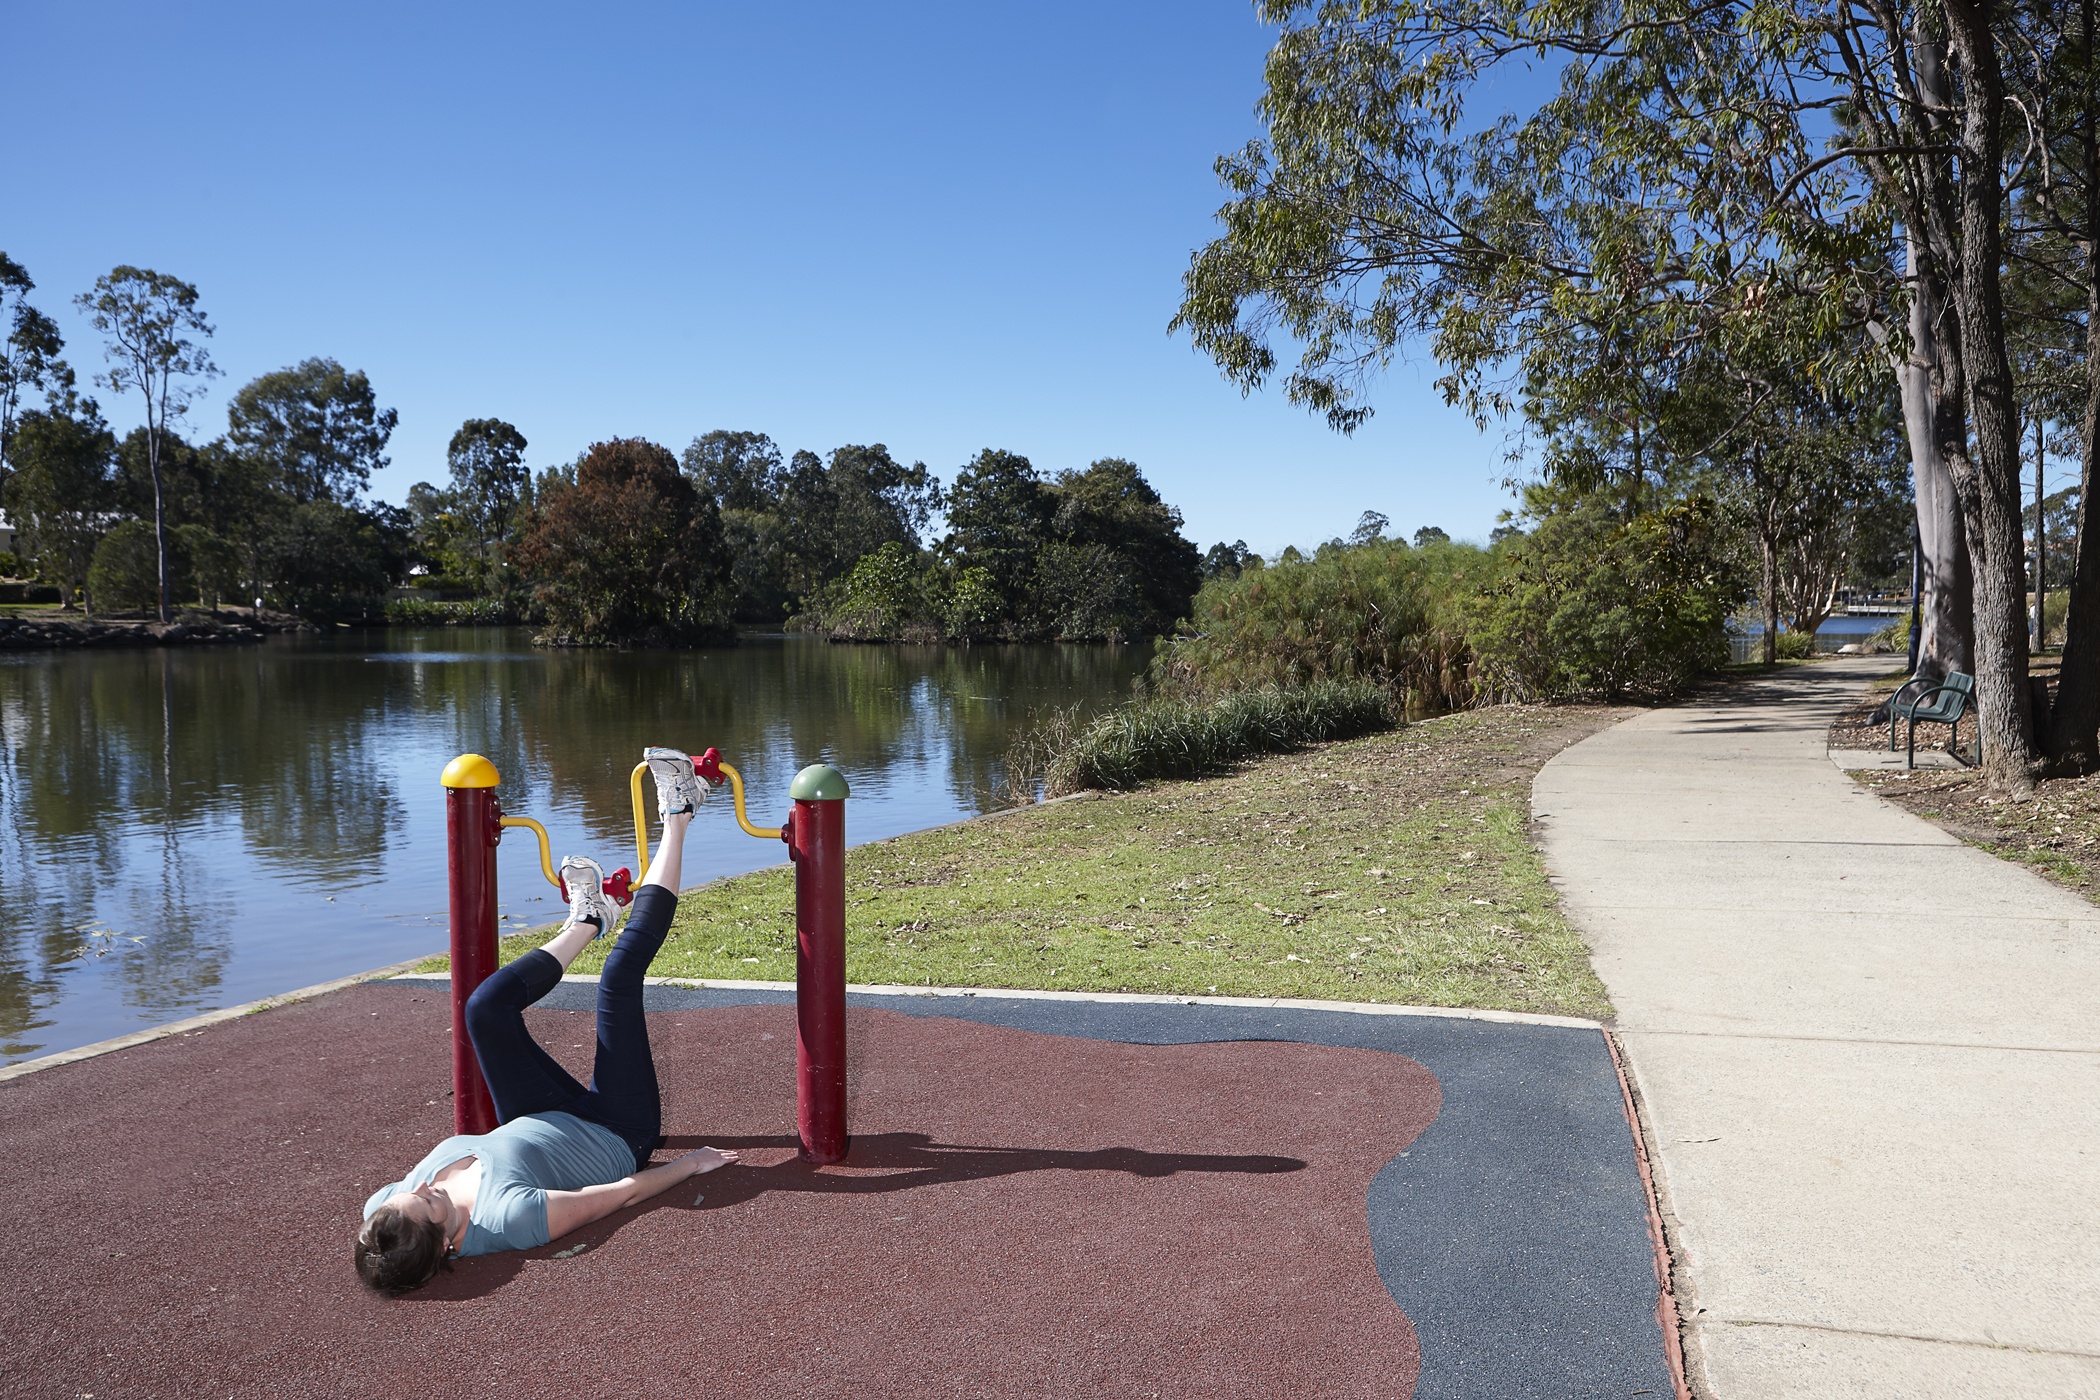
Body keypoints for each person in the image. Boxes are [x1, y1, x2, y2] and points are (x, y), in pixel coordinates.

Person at [355, 747, 739, 1295]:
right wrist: (690, 1166)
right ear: (448, 1246)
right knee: (619, 979)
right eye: (432, 1201)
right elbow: (620, 1194)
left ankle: (589, 918)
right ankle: (680, 812)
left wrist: (410, 1202)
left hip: (536, 1118)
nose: (423, 1187)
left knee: (484, 1011)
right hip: (614, 1131)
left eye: (412, 1191)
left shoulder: (385, 1215)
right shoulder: (509, 1220)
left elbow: (393, 1225)